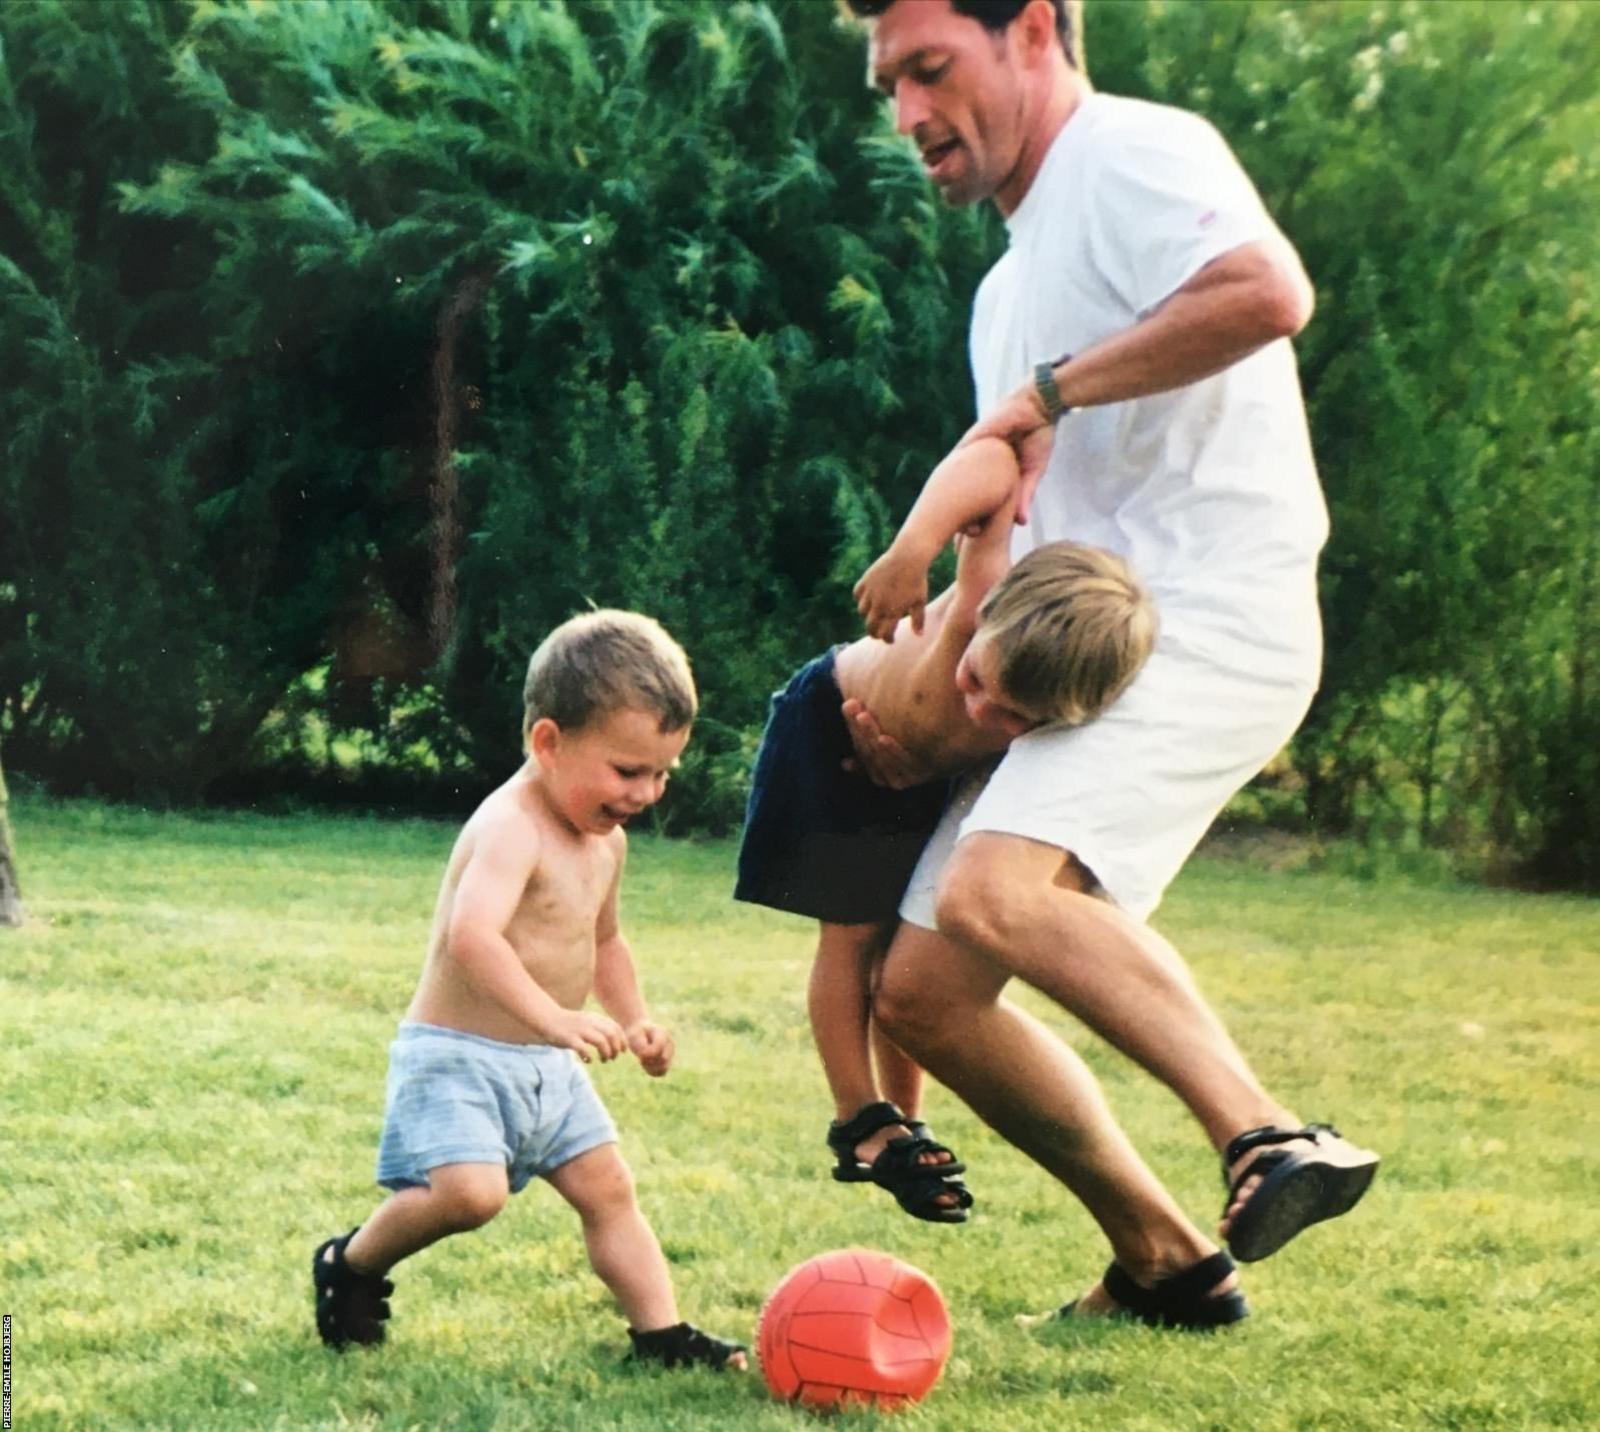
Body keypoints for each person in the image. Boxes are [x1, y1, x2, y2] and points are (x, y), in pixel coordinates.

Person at [835, 0, 1378, 1329]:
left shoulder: (1130, 151)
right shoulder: (1006, 290)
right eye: (888, 86)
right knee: (922, 993)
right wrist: (934, 690)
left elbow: (1267, 292)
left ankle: (1266, 1137)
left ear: (1030, 30)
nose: (907, 115)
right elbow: (1026, 532)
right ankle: (1167, 1264)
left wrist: (1049, 392)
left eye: (929, 69)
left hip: (1209, 615)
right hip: (1091, 650)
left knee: (996, 889)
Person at [736, 434, 1155, 1225]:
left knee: (907, 944)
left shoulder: (1068, 707)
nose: (984, 713)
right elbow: (995, 456)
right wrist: (910, 549)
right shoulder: (981, 592)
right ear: (984, 618)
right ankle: (858, 1118)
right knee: (852, 939)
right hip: (833, 731)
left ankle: (904, 1118)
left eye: (1014, 719)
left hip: (920, 778)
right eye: (977, 682)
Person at [312, 610, 746, 1371]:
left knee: (610, 1191)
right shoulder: (511, 826)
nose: (646, 793)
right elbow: (471, 937)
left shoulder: (605, 839)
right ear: (548, 743)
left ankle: (660, 1335)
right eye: (627, 770)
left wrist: (634, 1018)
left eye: (662, 773)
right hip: (458, 1057)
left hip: (548, 1065)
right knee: (471, 1197)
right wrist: (553, 1016)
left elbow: (603, 941)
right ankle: (350, 1264)